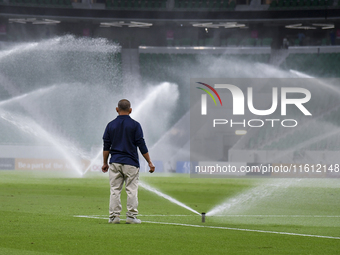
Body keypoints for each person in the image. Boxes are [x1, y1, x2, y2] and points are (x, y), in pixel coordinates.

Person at [102, 99, 155, 224]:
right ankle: (131, 217)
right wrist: (149, 162)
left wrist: (105, 163)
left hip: (115, 162)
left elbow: (106, 147)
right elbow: (141, 145)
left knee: (115, 190)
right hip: (131, 162)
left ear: (117, 109)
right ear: (130, 110)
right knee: (131, 190)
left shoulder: (110, 125)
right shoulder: (135, 125)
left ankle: (114, 217)